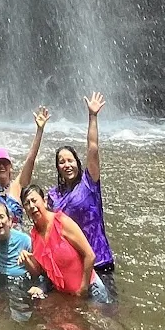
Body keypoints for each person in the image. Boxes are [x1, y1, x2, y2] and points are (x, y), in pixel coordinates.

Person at [47, 92, 115, 286]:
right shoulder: (53, 196)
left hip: (100, 260)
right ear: (58, 168)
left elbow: (93, 148)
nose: (66, 165)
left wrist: (92, 117)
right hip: (73, 265)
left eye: (69, 160)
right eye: (61, 162)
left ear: (77, 162)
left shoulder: (89, 183)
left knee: (106, 314)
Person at [21, 184, 96, 296]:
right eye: (27, 203)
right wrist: (27, 261)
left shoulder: (62, 222)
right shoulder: (34, 236)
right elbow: (41, 272)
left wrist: (83, 288)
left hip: (91, 290)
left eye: (34, 200)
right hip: (67, 297)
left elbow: (90, 255)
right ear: (25, 210)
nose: (31, 206)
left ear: (45, 202)